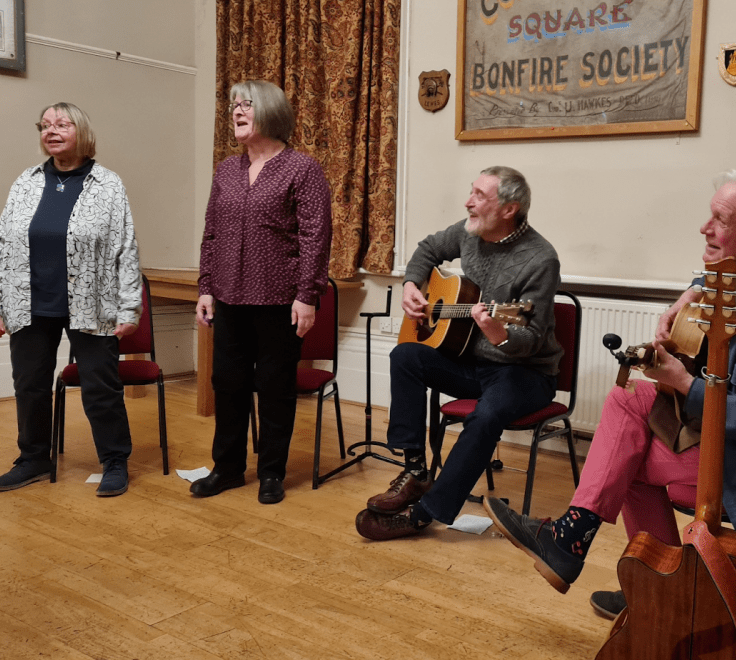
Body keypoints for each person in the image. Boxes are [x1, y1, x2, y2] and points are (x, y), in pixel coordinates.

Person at [483, 169, 736, 618]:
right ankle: (648, 578)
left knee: (623, 459)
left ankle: (650, 583)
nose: (704, 228)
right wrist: (685, 297)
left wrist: (684, 383)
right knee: (626, 400)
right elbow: (717, 282)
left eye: (721, 220)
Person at [355, 165, 563, 540]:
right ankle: (416, 470)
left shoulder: (541, 259)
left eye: (480, 196)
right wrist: (410, 285)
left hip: (526, 372)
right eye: (472, 191)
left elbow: (531, 337)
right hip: (472, 361)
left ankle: (425, 514)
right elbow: (428, 248)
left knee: (486, 416)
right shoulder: (470, 233)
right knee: (405, 356)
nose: (468, 202)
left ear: (508, 209)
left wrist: (500, 334)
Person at [191, 80, 332, 505]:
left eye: (246, 104)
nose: (236, 111)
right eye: (233, 104)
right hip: (229, 298)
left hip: (279, 300)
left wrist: (307, 295)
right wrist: (206, 288)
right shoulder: (225, 171)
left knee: (274, 388)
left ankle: (271, 472)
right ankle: (228, 468)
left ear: (270, 111)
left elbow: (315, 236)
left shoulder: (301, 169)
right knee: (227, 383)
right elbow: (212, 233)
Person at [0, 102, 143, 497]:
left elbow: (125, 248)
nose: (51, 130)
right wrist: (0, 303)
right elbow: (4, 245)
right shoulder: (25, 182)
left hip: (91, 302)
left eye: (61, 124)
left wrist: (130, 306)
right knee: (29, 385)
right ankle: (32, 459)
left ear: (81, 131)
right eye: (45, 125)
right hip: (28, 301)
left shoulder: (108, 184)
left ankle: (114, 461)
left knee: (101, 386)